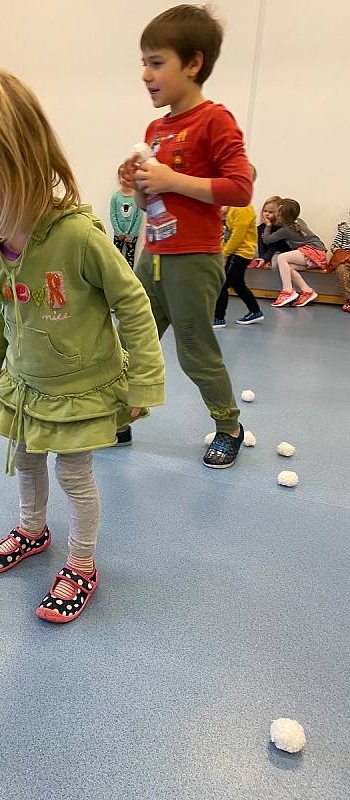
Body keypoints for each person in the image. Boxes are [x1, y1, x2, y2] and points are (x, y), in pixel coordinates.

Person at [0, 67, 164, 624]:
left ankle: (83, 562)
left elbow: (133, 303)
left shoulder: (78, 237)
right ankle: (33, 530)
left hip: (81, 386)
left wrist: (143, 381)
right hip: (27, 382)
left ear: (28, 166)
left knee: (74, 475)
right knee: (27, 458)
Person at [122, 3, 253, 468]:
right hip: (151, 254)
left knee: (195, 350)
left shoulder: (215, 120)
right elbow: (148, 201)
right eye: (144, 62)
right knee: (131, 342)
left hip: (193, 258)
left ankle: (228, 425)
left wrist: (171, 181)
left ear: (193, 64)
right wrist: (139, 186)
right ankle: (123, 414)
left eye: (156, 62)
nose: (145, 74)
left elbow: (240, 187)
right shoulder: (156, 128)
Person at [213, 167, 262, 327]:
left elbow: (238, 236)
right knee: (238, 284)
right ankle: (255, 311)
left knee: (223, 283)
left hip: (240, 253)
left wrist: (225, 253)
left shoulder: (243, 207)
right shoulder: (233, 205)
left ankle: (218, 317)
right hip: (235, 251)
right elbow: (229, 232)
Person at [262, 198, 327, 308]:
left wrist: (268, 225)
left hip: (314, 252)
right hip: (317, 254)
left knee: (282, 258)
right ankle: (307, 291)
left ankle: (287, 291)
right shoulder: (298, 221)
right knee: (289, 267)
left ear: (281, 215)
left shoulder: (286, 229)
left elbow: (267, 240)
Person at [110, 163, 143, 268]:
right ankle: (117, 278)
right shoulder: (115, 197)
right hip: (118, 234)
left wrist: (131, 234)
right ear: (119, 178)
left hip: (132, 235)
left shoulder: (137, 197)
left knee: (130, 259)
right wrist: (118, 232)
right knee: (116, 258)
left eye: (128, 175)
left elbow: (139, 216)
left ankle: (129, 280)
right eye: (122, 175)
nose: (125, 178)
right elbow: (113, 215)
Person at [254, 195, 290, 270]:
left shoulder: (280, 229)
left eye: (270, 212)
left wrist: (266, 259)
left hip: (279, 251)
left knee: (275, 264)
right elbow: (261, 244)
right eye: (265, 211)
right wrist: (262, 258)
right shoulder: (260, 228)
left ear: (278, 214)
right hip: (268, 251)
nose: (266, 214)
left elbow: (273, 247)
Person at [327, 213, 350, 313]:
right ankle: (349, 300)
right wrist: (340, 252)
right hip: (345, 258)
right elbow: (334, 245)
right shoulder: (344, 229)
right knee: (341, 270)